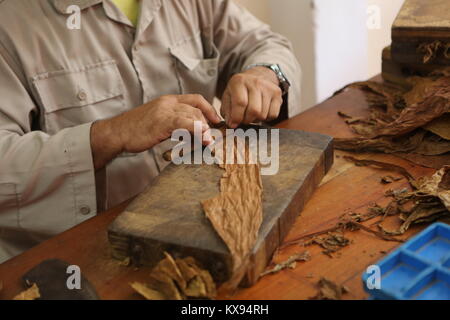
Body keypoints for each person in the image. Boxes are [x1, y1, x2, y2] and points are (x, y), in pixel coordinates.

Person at [0, 0, 301, 263]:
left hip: (202, 228)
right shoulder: (10, 23)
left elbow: (263, 44)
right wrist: (112, 133)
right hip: (82, 258)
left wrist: (265, 73)